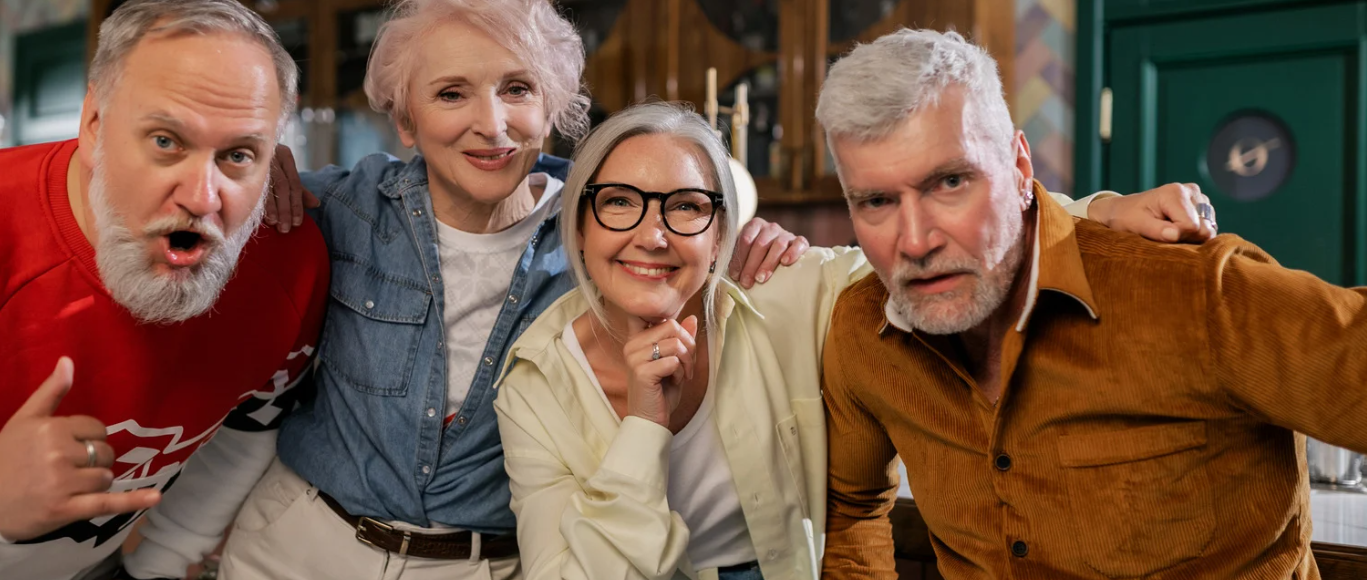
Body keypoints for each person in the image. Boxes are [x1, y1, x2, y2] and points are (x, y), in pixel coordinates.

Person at [492, 101, 1227, 580]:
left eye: (686, 207)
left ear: (720, 236)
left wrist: (1099, 212)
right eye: (620, 203)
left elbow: (942, 245)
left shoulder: (784, 293)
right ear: (580, 227)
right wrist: (644, 428)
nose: (652, 235)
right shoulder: (534, 382)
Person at [219, 2, 809, 579]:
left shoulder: (606, 236)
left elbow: (688, 231)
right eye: (452, 93)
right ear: (405, 120)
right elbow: (190, 219)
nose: (493, 124)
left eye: (518, 89)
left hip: (491, 563)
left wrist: (753, 238)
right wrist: (250, 166)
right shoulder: (344, 207)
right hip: (296, 548)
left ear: (551, 104)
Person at [816, 29, 1367, 580]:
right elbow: (852, 509)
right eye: (877, 201)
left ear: (1020, 169)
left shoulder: (1194, 294)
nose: (914, 241)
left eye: (951, 182)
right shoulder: (864, 331)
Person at [0, 1, 329, 580]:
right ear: (94, 126)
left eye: (238, 154)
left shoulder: (288, 264)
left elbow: (250, 430)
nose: (202, 196)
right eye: (166, 141)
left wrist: (161, 562)